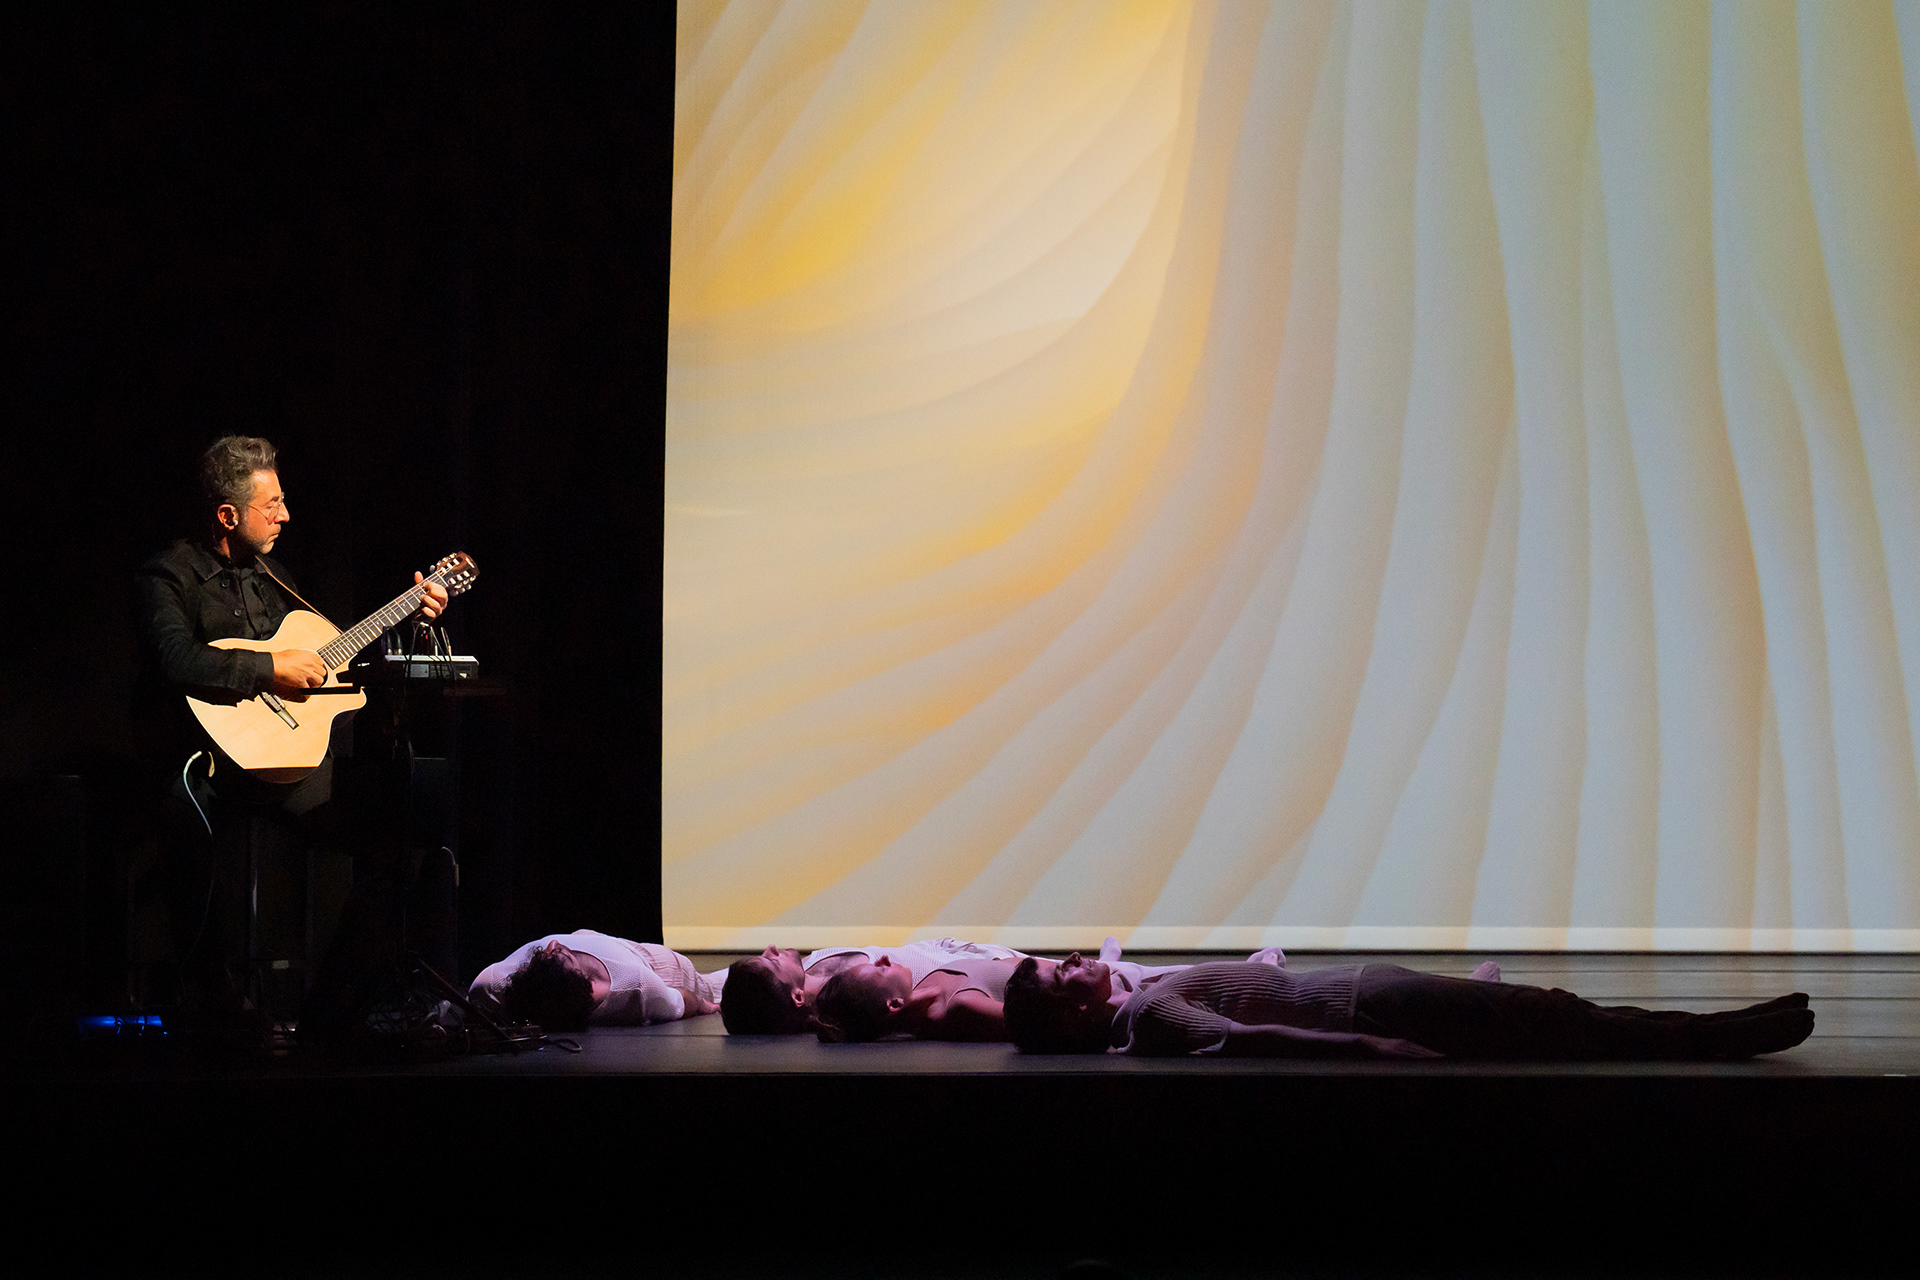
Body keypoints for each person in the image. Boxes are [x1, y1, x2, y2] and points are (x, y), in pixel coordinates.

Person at [133, 435, 449, 1020]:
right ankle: (212, 1006)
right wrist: (268, 668)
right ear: (228, 516)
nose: (285, 515)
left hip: (283, 768)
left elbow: (331, 661)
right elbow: (176, 660)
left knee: (400, 834)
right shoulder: (168, 575)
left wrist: (411, 617)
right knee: (183, 824)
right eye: (272, 504)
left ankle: (335, 1010)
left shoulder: (274, 577)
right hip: (207, 766)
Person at [1002, 955, 1815, 1060]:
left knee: (1551, 1014)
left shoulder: (1139, 998)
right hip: (1372, 1007)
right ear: (1069, 1016)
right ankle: (1728, 1035)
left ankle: (1732, 1028)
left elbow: (1249, 991)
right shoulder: (1148, 1017)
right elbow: (1248, 1036)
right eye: (1059, 973)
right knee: (1558, 1018)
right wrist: (1369, 1050)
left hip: (1373, 992)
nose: (1075, 960)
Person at [810, 940, 1292, 1045]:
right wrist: (1112, 999)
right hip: (1093, 991)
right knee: (1172, 978)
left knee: (1145, 971)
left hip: (1066, 974)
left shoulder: (928, 990)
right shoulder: (956, 1010)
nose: (884, 960)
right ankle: (1257, 975)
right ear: (893, 1004)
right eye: (877, 970)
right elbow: (1040, 1021)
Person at [469, 932, 721, 1031]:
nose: (553, 943)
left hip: (613, 946)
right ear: (585, 982)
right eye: (559, 954)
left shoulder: (492, 985)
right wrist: (706, 1005)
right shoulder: (634, 987)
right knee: (719, 985)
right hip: (666, 969)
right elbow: (684, 1000)